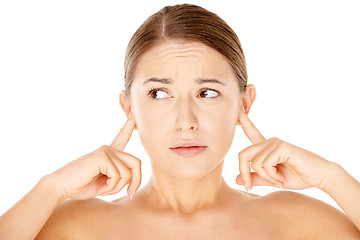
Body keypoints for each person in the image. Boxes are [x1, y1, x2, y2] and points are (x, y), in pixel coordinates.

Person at [1, 3, 360, 239]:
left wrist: (333, 176)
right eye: (159, 93)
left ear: (244, 104)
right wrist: (50, 188)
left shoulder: (296, 224)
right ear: (129, 109)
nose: (185, 122)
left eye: (207, 93)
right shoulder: (77, 228)